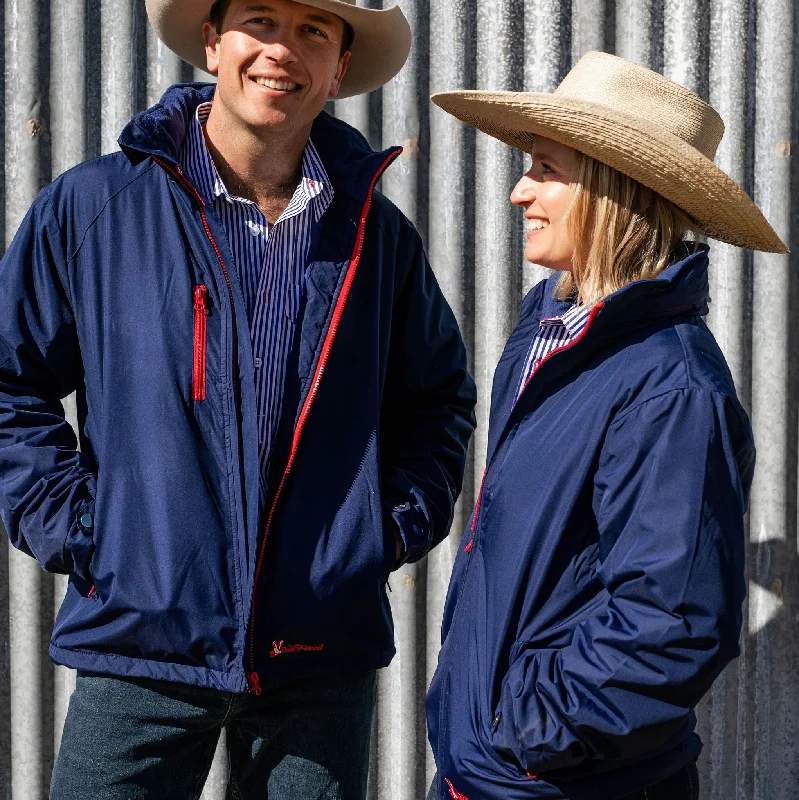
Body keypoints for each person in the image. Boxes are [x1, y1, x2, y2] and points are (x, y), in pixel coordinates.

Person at [0, 0, 477, 797]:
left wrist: (376, 535)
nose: (281, 51)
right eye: (260, 21)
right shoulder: (92, 208)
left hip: (316, 654)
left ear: (338, 70)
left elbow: (437, 402)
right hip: (140, 640)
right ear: (214, 43)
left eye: (313, 33)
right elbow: (13, 386)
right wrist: (88, 534)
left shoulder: (375, 236)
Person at [425, 51, 786, 800]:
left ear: (613, 188)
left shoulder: (669, 387)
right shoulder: (550, 333)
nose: (519, 191)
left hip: (565, 781)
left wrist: (528, 734)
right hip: (492, 772)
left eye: (546, 169)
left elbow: (673, 619)